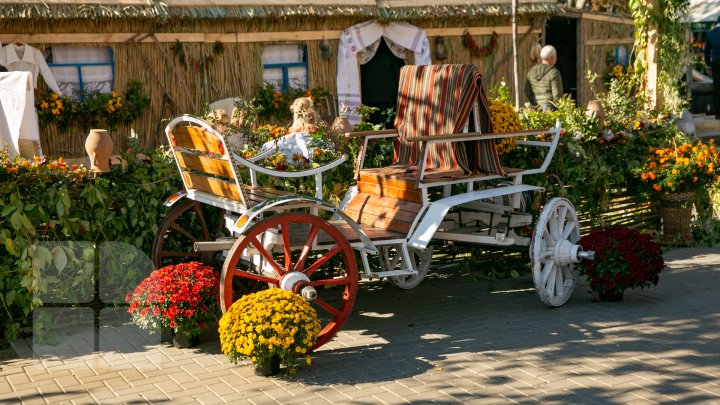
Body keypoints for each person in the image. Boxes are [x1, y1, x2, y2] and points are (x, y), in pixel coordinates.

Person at [524, 45, 563, 111]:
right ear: (552, 57)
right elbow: (557, 94)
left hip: (535, 108)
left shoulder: (532, 71)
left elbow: (527, 90)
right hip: (550, 109)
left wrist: (533, 101)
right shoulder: (554, 72)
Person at [704, 16, 720, 119]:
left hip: (716, 63)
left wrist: (708, 64)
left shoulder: (710, 34)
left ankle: (718, 113)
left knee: (717, 87)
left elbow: (706, 51)